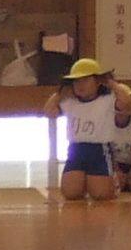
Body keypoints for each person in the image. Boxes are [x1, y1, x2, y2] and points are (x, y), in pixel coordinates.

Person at [43, 60, 119, 202]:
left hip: (99, 150)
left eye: (85, 80)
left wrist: (112, 83)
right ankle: (85, 183)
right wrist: (60, 92)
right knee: (71, 193)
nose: (80, 85)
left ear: (97, 82)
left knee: (101, 195)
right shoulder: (69, 102)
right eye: (76, 81)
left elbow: (127, 104)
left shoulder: (108, 99)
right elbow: (48, 111)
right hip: (76, 149)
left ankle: (111, 182)